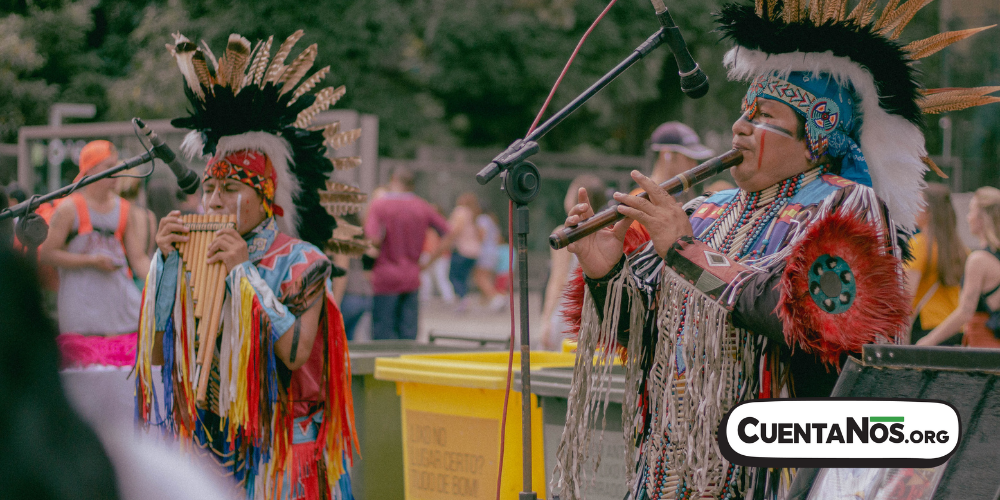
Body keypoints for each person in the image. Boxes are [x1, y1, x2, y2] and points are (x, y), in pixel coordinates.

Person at [550, 2, 998, 498]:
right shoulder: (703, 210)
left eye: (765, 116)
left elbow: (816, 319)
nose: (741, 126)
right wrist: (606, 274)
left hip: (778, 467)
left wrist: (687, 252)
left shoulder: (849, 205)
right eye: (744, 111)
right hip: (668, 467)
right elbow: (647, 334)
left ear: (816, 139)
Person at [135, 30, 360, 499]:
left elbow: (295, 352)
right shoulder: (193, 253)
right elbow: (159, 355)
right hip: (209, 437)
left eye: (231, 191)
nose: (213, 201)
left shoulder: (304, 262)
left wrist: (245, 275)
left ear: (267, 200)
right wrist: (165, 268)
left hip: (279, 445)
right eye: (209, 190)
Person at [39, 140, 150, 367]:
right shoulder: (70, 208)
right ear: (90, 169)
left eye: (116, 165)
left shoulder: (124, 209)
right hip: (81, 311)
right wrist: (90, 261)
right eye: (109, 166)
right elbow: (48, 253)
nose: (116, 172)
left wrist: (161, 282)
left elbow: (138, 258)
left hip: (120, 309)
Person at [364, 167, 449, 340]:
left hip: (385, 277)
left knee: (383, 335)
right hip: (412, 276)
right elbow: (448, 233)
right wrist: (428, 261)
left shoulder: (379, 205)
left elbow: (372, 238)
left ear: (393, 179)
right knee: (408, 336)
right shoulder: (422, 206)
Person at [917, 187, 1000, 348]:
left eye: (971, 211)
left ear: (981, 218)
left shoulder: (979, 260)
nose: (968, 218)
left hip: (984, 348)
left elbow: (965, 312)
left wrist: (928, 341)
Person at [537, 175, 607, 350]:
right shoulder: (604, 233)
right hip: (593, 309)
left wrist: (545, 320)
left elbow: (559, 279)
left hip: (567, 309)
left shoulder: (563, 234)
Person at [906, 184, 967, 345]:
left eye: (918, 203)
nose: (913, 208)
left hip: (925, 329)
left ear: (930, 212)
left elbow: (907, 295)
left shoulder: (919, 245)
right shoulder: (961, 249)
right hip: (954, 329)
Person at [647, 122, 715, 204]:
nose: (694, 165)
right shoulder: (644, 199)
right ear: (666, 155)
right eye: (688, 158)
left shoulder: (679, 197)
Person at [444, 192, 482, 311]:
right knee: (463, 277)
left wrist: (448, 241)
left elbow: (456, 229)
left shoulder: (460, 211)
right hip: (474, 251)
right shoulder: (474, 214)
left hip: (462, 249)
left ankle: (463, 298)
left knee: (453, 276)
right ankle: (463, 298)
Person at [473, 211, 505, 312]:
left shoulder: (482, 219)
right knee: (487, 277)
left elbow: (482, 234)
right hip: (494, 250)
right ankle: (486, 301)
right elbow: (498, 237)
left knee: (479, 277)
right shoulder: (492, 221)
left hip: (485, 251)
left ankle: (496, 297)